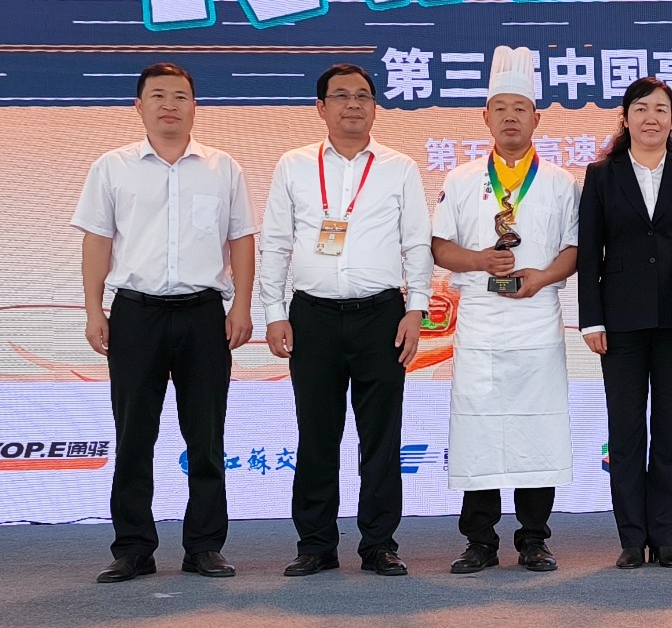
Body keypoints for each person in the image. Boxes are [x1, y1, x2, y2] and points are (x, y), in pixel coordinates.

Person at [72, 63, 256, 583]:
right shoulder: (113, 167)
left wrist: (242, 306)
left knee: (206, 436)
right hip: (136, 314)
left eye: (180, 95)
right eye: (157, 95)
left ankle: (205, 546)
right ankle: (133, 548)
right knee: (133, 436)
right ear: (139, 106)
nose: (169, 104)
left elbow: (242, 239)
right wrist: (94, 309)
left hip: (203, 315)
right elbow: (97, 242)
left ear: (195, 106)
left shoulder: (222, 167)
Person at [260, 64, 432, 577]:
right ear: (321, 107)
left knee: (381, 436)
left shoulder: (399, 167)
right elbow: (276, 242)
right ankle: (315, 544)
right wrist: (274, 313)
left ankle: (379, 544)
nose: (352, 104)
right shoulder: (294, 165)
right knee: (316, 435)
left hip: (381, 316)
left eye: (362, 95)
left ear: (375, 107)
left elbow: (416, 242)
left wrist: (416, 308)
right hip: (311, 316)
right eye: (340, 96)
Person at [432, 48, 580, 574]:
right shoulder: (461, 179)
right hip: (480, 321)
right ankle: (479, 541)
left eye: (520, 108)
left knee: (537, 428)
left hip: (537, 320)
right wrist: (478, 260)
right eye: (501, 108)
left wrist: (542, 277)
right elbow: (439, 247)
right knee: (478, 429)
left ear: (537, 118)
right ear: (486, 117)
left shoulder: (561, 181)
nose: (510, 117)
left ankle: (534, 538)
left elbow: (575, 249)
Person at [579, 77, 672, 569]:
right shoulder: (601, 174)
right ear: (625, 118)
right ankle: (631, 539)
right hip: (620, 321)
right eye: (641, 109)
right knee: (626, 432)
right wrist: (590, 320)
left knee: (671, 431)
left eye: (661, 109)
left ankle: (665, 537)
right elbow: (589, 251)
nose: (651, 117)